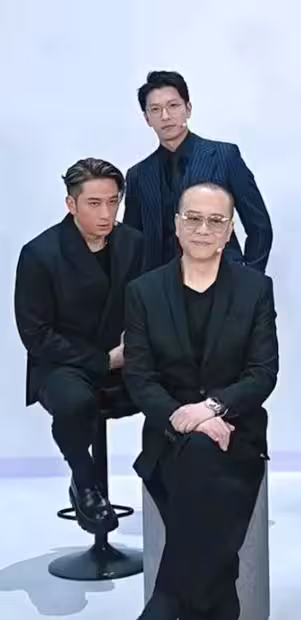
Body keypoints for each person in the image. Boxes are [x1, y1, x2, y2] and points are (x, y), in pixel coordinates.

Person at [124, 182, 278, 620]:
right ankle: (204, 604)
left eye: (215, 221)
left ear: (230, 231)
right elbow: (140, 377)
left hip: (237, 435)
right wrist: (181, 416)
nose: (203, 229)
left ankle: (166, 600)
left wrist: (210, 409)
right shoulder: (144, 291)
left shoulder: (254, 288)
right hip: (168, 438)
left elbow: (262, 373)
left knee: (202, 462)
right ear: (176, 225)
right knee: (200, 466)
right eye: (193, 218)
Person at [14, 158, 143, 534]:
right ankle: (85, 482)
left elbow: (149, 301)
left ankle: (169, 484)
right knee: (74, 402)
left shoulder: (134, 243)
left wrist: (136, 344)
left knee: (179, 383)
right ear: (71, 204)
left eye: (113, 202)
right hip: (62, 362)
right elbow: (35, 334)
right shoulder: (39, 253)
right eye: (94, 203)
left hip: (125, 357)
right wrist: (102, 360)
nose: (106, 213)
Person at [124, 70, 273, 273]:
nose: (165, 116)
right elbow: (132, 241)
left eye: (173, 106)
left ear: (188, 109)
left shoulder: (224, 156)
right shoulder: (138, 175)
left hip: (222, 279)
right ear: (147, 118)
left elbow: (259, 227)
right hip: (158, 284)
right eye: (155, 109)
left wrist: (249, 280)